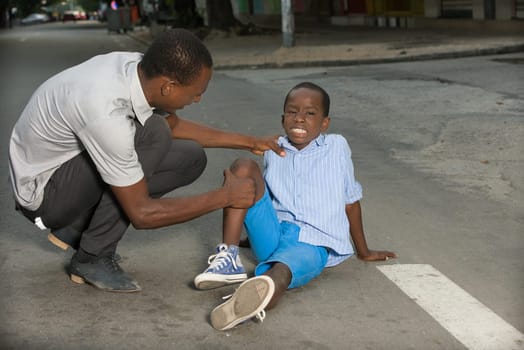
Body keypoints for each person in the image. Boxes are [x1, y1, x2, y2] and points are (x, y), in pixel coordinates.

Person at [8, 28, 284, 293]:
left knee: (189, 158)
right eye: (195, 92)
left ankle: (78, 227)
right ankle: (91, 257)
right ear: (168, 87)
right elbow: (142, 214)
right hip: (44, 194)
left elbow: (175, 127)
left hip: (69, 165)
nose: (198, 99)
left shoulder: (139, 68)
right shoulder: (104, 110)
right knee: (154, 133)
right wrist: (225, 196)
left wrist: (250, 142)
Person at [193, 82, 397, 330]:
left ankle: (249, 302)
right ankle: (229, 257)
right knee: (243, 166)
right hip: (274, 235)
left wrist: (362, 250)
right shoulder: (274, 149)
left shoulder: (335, 147)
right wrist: (249, 235)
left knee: (281, 271)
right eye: (292, 112)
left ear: (324, 123)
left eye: (310, 113)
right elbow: (262, 198)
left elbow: (350, 201)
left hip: (313, 243)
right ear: (283, 118)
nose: (299, 118)